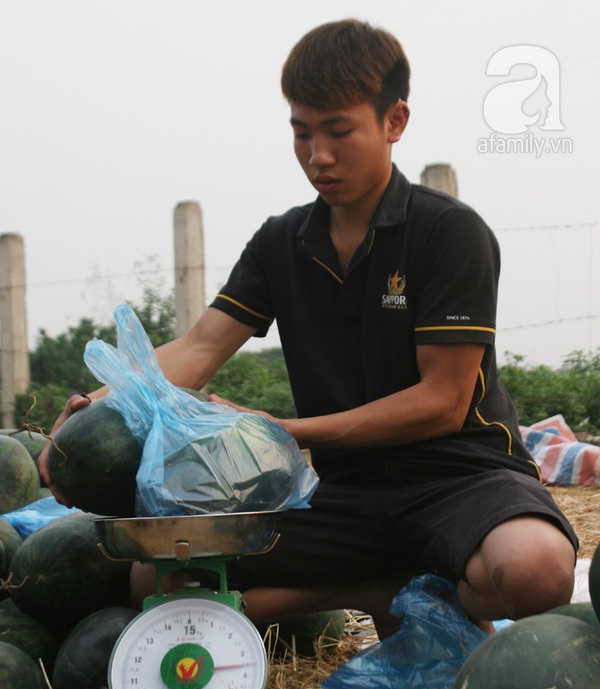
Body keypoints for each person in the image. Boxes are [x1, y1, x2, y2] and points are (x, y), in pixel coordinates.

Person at [39, 19, 578, 640]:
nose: (318, 155)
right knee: (156, 579)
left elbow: (442, 402)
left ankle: (395, 571)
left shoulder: (448, 233)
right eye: (302, 132)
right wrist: (86, 417)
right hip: (342, 491)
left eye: (338, 131)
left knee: (535, 569)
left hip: (459, 476)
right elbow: (197, 348)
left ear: (394, 122)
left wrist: (282, 431)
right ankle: (373, 585)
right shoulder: (281, 243)